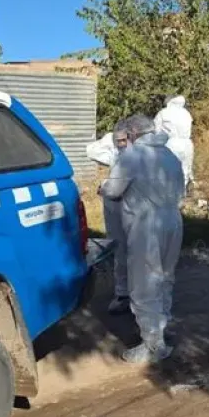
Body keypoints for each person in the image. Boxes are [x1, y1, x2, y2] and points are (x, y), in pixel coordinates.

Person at [99, 114, 186, 364]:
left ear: (133, 133)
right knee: (164, 277)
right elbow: (182, 189)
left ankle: (153, 345)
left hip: (145, 225)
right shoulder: (169, 155)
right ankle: (161, 325)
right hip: (173, 220)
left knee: (145, 282)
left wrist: (103, 187)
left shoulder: (132, 156)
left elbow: (114, 189)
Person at [85, 125, 132, 314]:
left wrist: (104, 188)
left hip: (130, 207)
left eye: (125, 139)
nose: (121, 144)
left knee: (132, 251)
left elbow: (114, 188)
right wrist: (111, 139)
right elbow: (92, 151)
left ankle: (131, 295)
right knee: (120, 248)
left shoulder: (137, 157)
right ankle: (124, 293)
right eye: (118, 140)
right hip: (117, 206)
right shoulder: (117, 154)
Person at [154, 95, 195, 190]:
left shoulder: (163, 113)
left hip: (172, 143)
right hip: (187, 143)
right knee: (185, 169)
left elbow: (156, 130)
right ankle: (182, 192)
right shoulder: (186, 113)